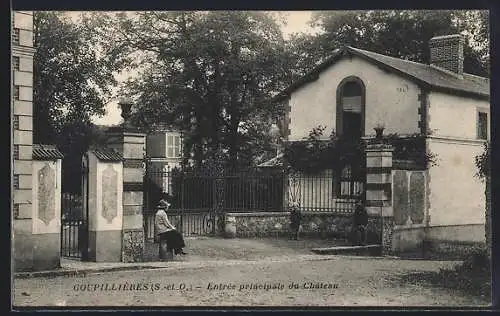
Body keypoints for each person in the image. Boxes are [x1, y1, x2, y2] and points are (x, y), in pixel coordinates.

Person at [154, 194, 187, 260]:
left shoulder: (159, 212)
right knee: (177, 234)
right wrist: (173, 228)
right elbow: (167, 223)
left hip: (161, 231)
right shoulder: (162, 213)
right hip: (163, 231)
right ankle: (179, 248)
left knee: (173, 236)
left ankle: (177, 250)